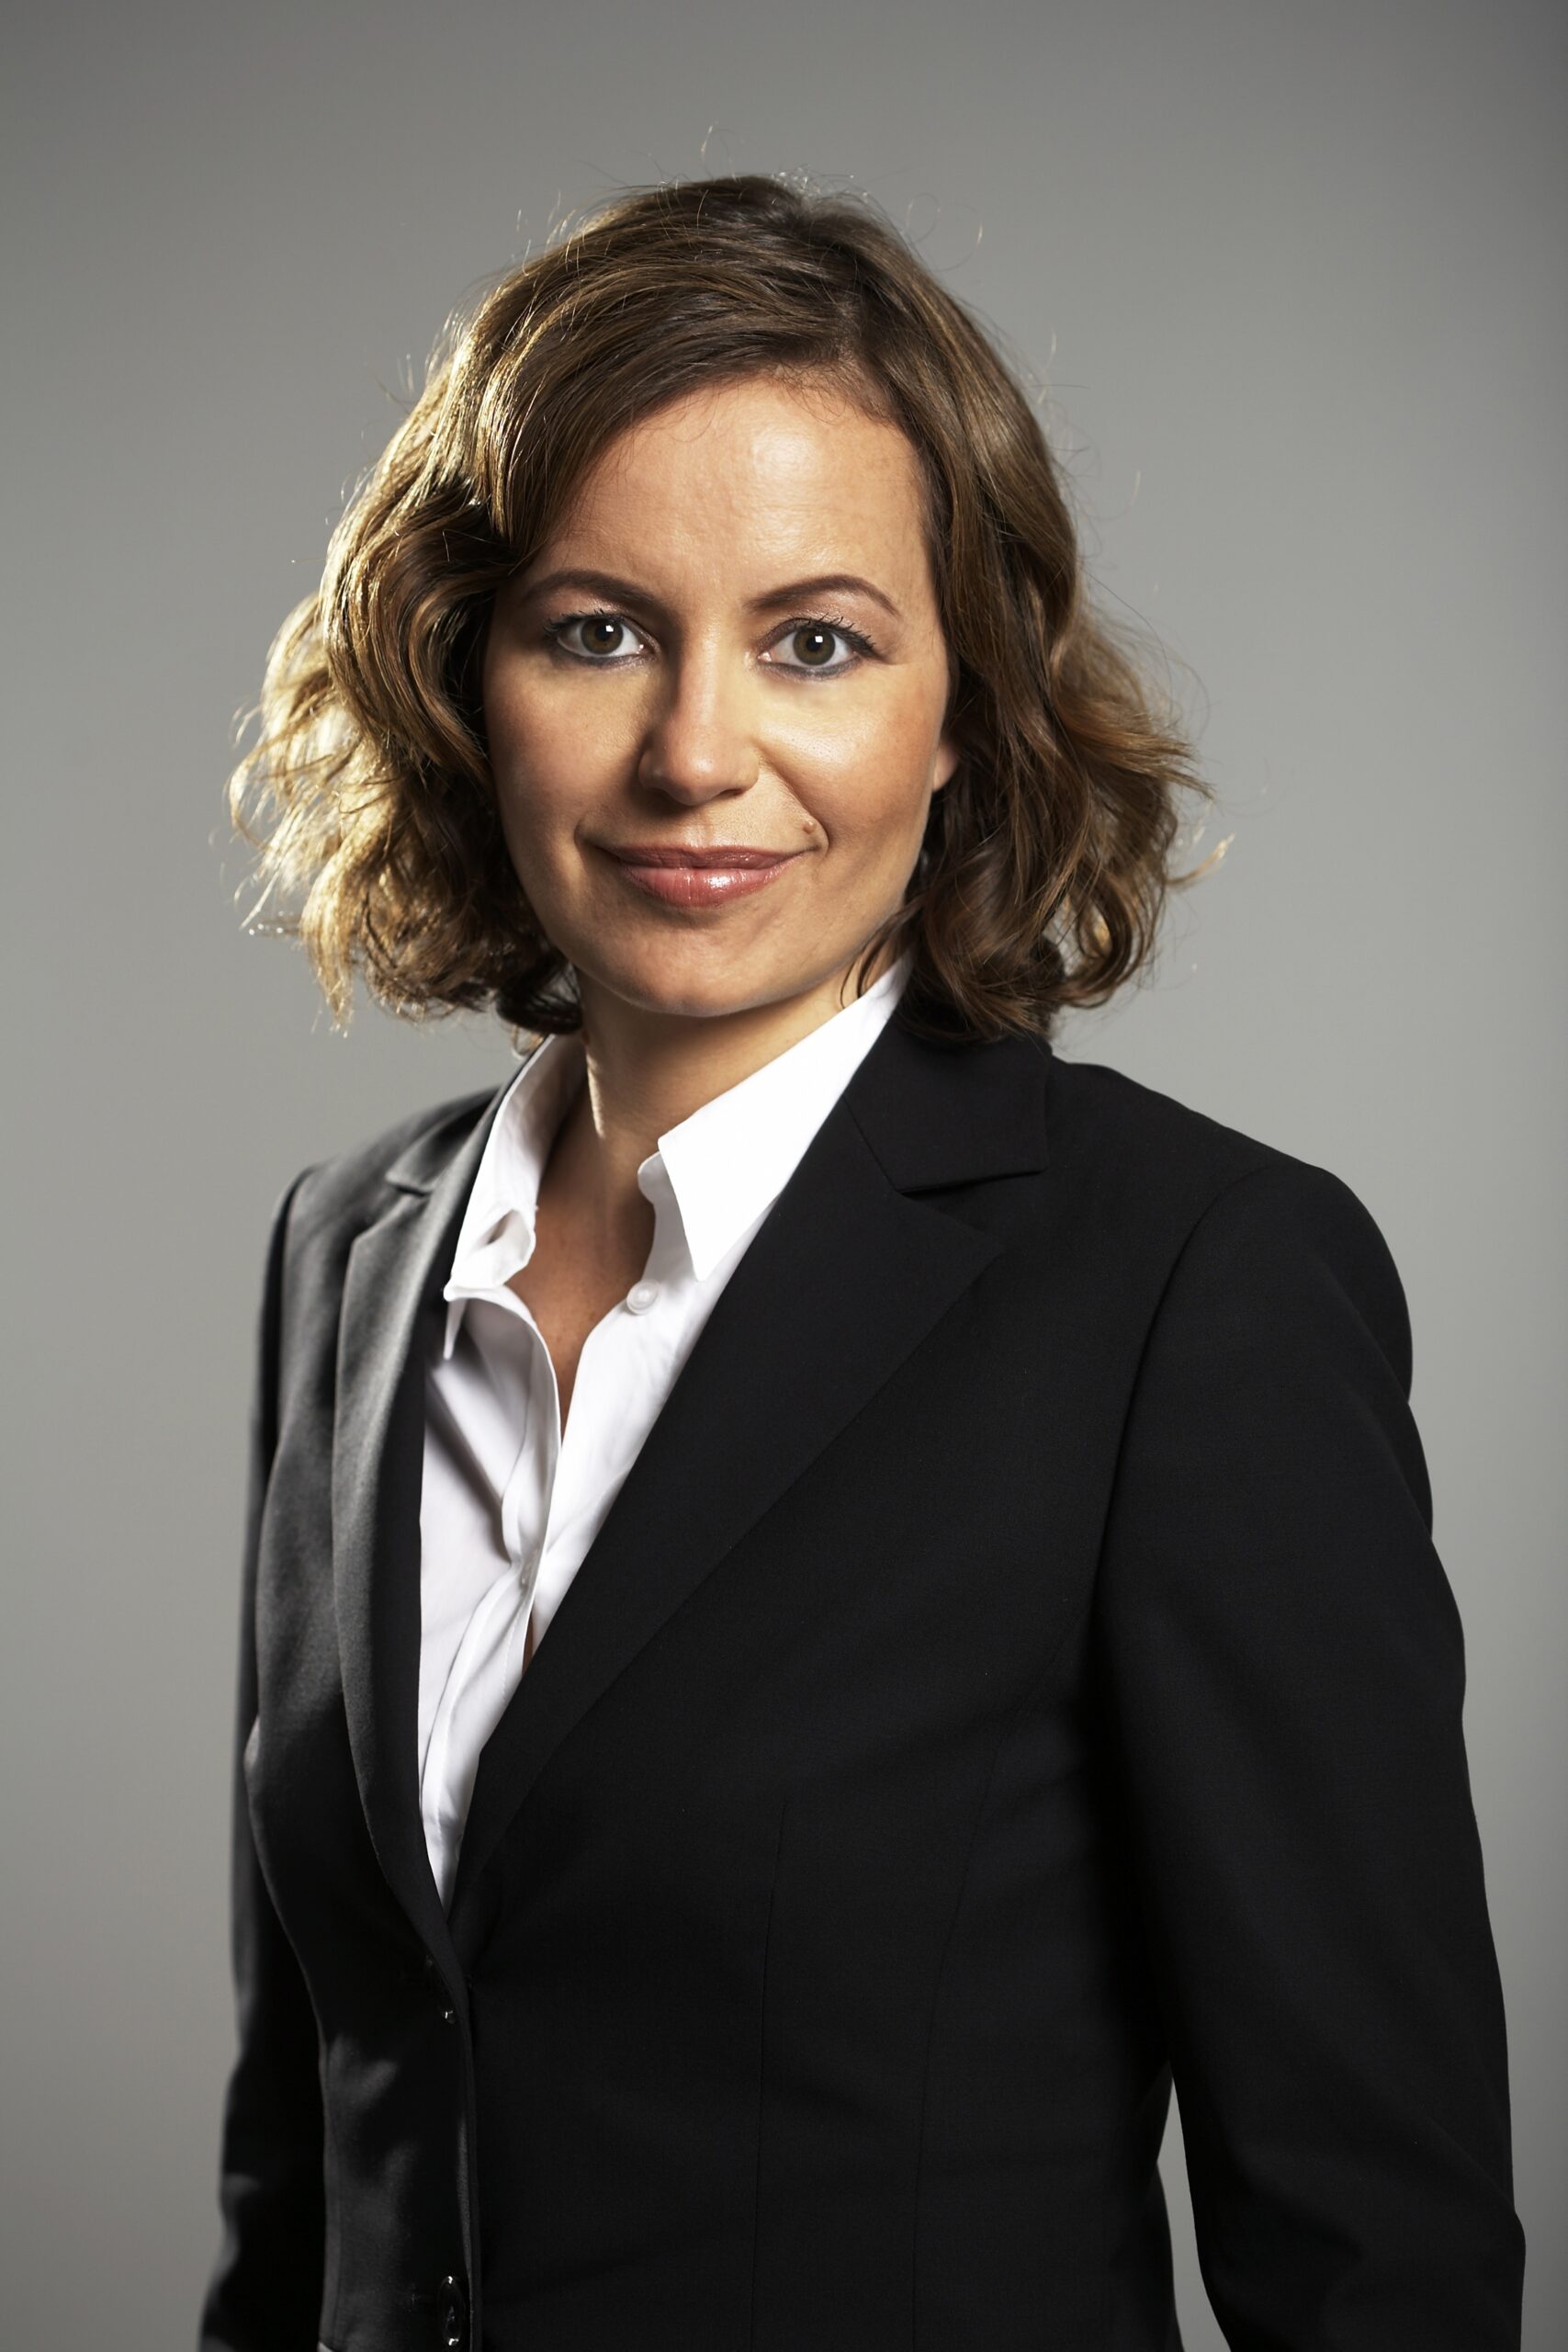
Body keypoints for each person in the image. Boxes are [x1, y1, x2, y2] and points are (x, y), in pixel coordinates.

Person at [198, 174, 1524, 2352]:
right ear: (463, 672)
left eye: (813, 641)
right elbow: (309, 2150)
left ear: (959, 707)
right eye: (595, 628)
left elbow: (1375, 2253)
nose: (693, 751)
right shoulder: (349, 1250)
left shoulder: (1187, 1287)